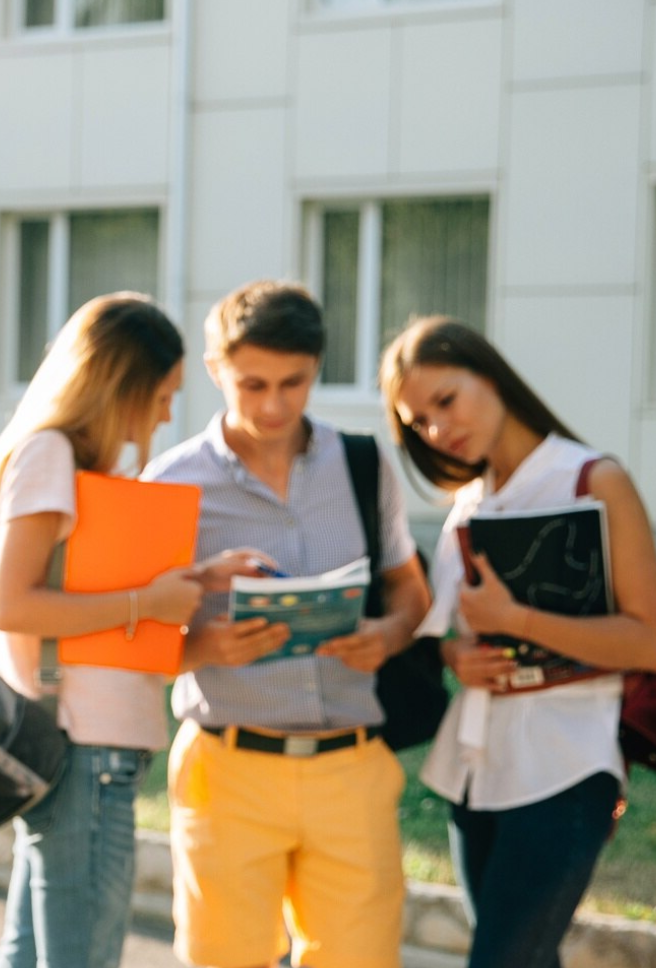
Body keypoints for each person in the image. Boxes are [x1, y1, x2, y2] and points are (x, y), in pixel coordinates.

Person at [144, 281, 431, 968]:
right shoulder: (167, 483)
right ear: (214, 371)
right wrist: (205, 645)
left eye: (292, 383)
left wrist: (387, 637)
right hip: (226, 767)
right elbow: (134, 644)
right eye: (250, 384)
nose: (272, 405)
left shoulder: (363, 464)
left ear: (316, 369)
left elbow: (410, 593)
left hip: (351, 768)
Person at [380, 317, 656, 968]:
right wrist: (461, 657)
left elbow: (653, 643)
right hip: (474, 775)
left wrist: (518, 621)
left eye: (444, 401)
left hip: (565, 770)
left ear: (489, 376)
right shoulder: (466, 504)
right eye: (418, 421)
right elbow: (447, 644)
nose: (435, 429)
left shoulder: (593, 481)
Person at [0, 293, 260, 968]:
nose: (167, 413)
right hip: (82, 747)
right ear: (121, 386)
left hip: (85, 745)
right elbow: (14, 605)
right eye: (161, 395)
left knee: (29, 953)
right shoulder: (48, 455)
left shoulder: (73, 466)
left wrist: (191, 586)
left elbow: (86, 601)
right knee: (81, 956)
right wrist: (148, 600)